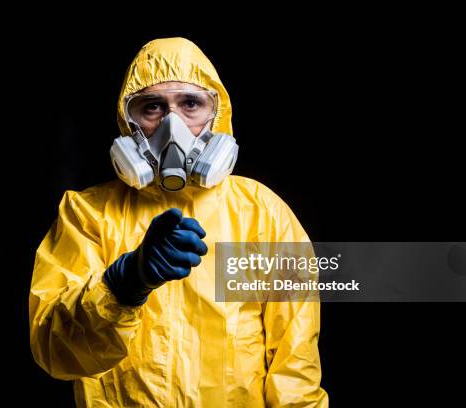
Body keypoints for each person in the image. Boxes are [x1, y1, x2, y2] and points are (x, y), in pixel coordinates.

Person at [29, 37, 329, 407]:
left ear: (216, 114)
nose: (174, 126)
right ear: (129, 121)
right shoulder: (87, 215)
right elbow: (56, 354)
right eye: (152, 107)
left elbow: (294, 365)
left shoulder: (262, 215)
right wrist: (123, 285)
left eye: (190, 104)